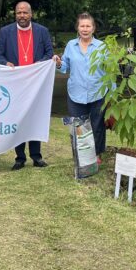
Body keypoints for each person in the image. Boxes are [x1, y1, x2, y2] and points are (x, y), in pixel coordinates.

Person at [0, 1, 54, 170]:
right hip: (15, 84)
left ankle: (36, 156)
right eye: (19, 13)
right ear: (15, 15)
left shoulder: (42, 31)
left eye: (25, 12)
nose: (22, 15)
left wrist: (39, 65)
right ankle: (19, 158)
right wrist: (5, 63)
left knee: (35, 118)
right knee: (18, 118)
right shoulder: (6, 32)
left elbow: (49, 52)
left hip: (36, 83)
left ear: (31, 14)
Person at [55, 13, 108, 164]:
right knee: (78, 126)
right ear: (77, 28)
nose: (85, 29)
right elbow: (65, 67)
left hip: (98, 93)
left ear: (93, 28)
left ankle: (96, 155)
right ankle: (81, 156)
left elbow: (109, 71)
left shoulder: (102, 46)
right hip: (76, 94)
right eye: (82, 26)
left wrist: (112, 95)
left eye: (88, 26)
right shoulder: (71, 45)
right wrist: (59, 64)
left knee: (97, 126)